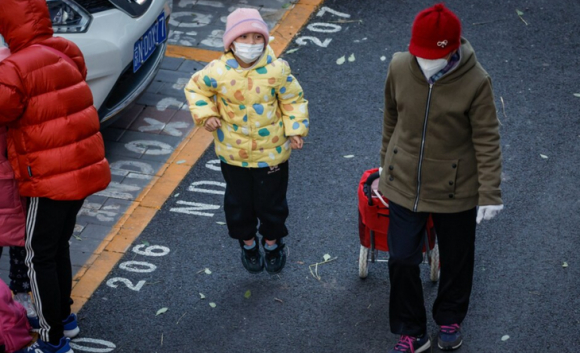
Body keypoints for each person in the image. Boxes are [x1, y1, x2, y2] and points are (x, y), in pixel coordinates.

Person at [379, 3, 503, 352]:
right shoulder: (400, 66)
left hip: (456, 189)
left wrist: (490, 192)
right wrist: (385, 165)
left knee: (457, 257)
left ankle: (449, 316)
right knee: (401, 258)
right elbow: (391, 117)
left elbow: (487, 138)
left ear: (450, 49)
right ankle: (411, 329)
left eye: (430, 55)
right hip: (403, 182)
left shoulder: (477, 82)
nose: (423, 61)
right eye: (417, 53)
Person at [0, 0, 112, 352]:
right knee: (57, 245)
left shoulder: (15, 67)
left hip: (47, 178)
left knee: (37, 256)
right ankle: (65, 317)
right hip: (81, 170)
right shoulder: (65, 49)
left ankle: (51, 340)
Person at [184, 8, 309, 274]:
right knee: (238, 204)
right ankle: (249, 243)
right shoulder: (217, 72)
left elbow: (293, 100)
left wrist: (295, 129)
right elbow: (195, 90)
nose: (251, 44)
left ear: (265, 40)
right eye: (244, 38)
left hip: (273, 153)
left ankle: (273, 243)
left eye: (257, 37)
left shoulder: (277, 70)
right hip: (233, 154)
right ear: (231, 43)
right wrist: (206, 115)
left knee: (272, 203)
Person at [0, 43, 39, 331]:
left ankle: (22, 295)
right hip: (11, 175)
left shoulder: (10, 70)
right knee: (19, 241)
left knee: (19, 241)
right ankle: (19, 298)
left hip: (12, 175)